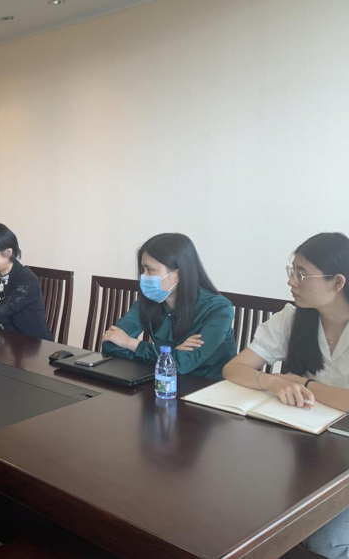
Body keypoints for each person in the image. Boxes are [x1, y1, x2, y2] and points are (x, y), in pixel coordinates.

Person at [222, 233, 349, 558]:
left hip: (342, 459)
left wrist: (306, 385)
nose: (291, 282)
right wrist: (272, 382)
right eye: (292, 271)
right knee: (240, 505)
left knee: (323, 541)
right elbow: (234, 368)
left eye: (301, 274)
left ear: (337, 282)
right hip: (306, 446)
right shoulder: (293, 317)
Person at [101, 233, 236, 380]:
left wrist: (129, 343)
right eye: (142, 269)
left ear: (178, 274)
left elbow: (182, 364)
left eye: (150, 270)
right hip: (163, 382)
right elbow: (110, 343)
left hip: (208, 388)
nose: (143, 276)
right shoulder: (148, 301)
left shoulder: (219, 309)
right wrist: (170, 354)